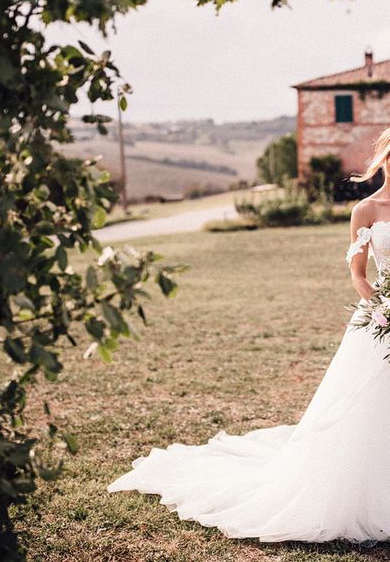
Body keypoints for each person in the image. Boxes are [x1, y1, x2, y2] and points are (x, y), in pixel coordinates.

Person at [107, 127, 390, 543]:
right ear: (385, 158)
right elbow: (357, 275)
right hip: (379, 324)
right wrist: (384, 309)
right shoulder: (366, 210)